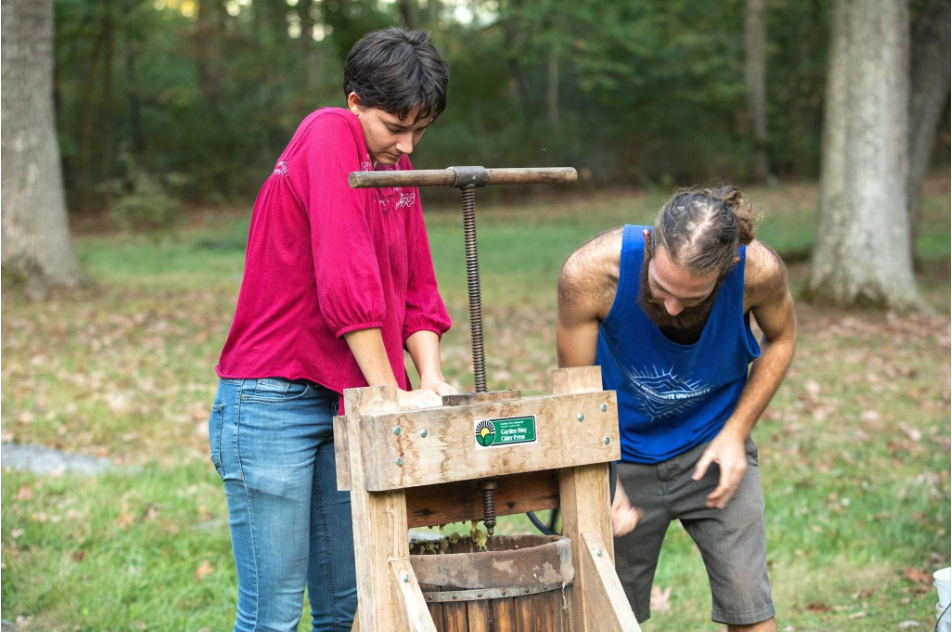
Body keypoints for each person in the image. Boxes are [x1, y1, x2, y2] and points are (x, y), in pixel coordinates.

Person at [209, 28, 456, 632]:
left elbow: (416, 284)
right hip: (275, 400)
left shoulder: (393, 167)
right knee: (272, 616)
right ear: (354, 102)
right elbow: (345, 281)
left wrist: (431, 377)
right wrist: (389, 398)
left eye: (420, 131)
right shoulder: (329, 132)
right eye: (395, 128)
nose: (406, 146)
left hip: (349, 404)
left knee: (348, 611)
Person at [556, 187, 797, 631]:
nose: (671, 305)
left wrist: (735, 433)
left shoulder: (757, 272)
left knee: (751, 608)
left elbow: (781, 339)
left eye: (692, 297)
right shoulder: (590, 273)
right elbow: (576, 390)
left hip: (713, 448)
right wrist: (600, 471)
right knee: (602, 613)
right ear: (651, 245)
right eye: (661, 287)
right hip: (620, 453)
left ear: (728, 272)